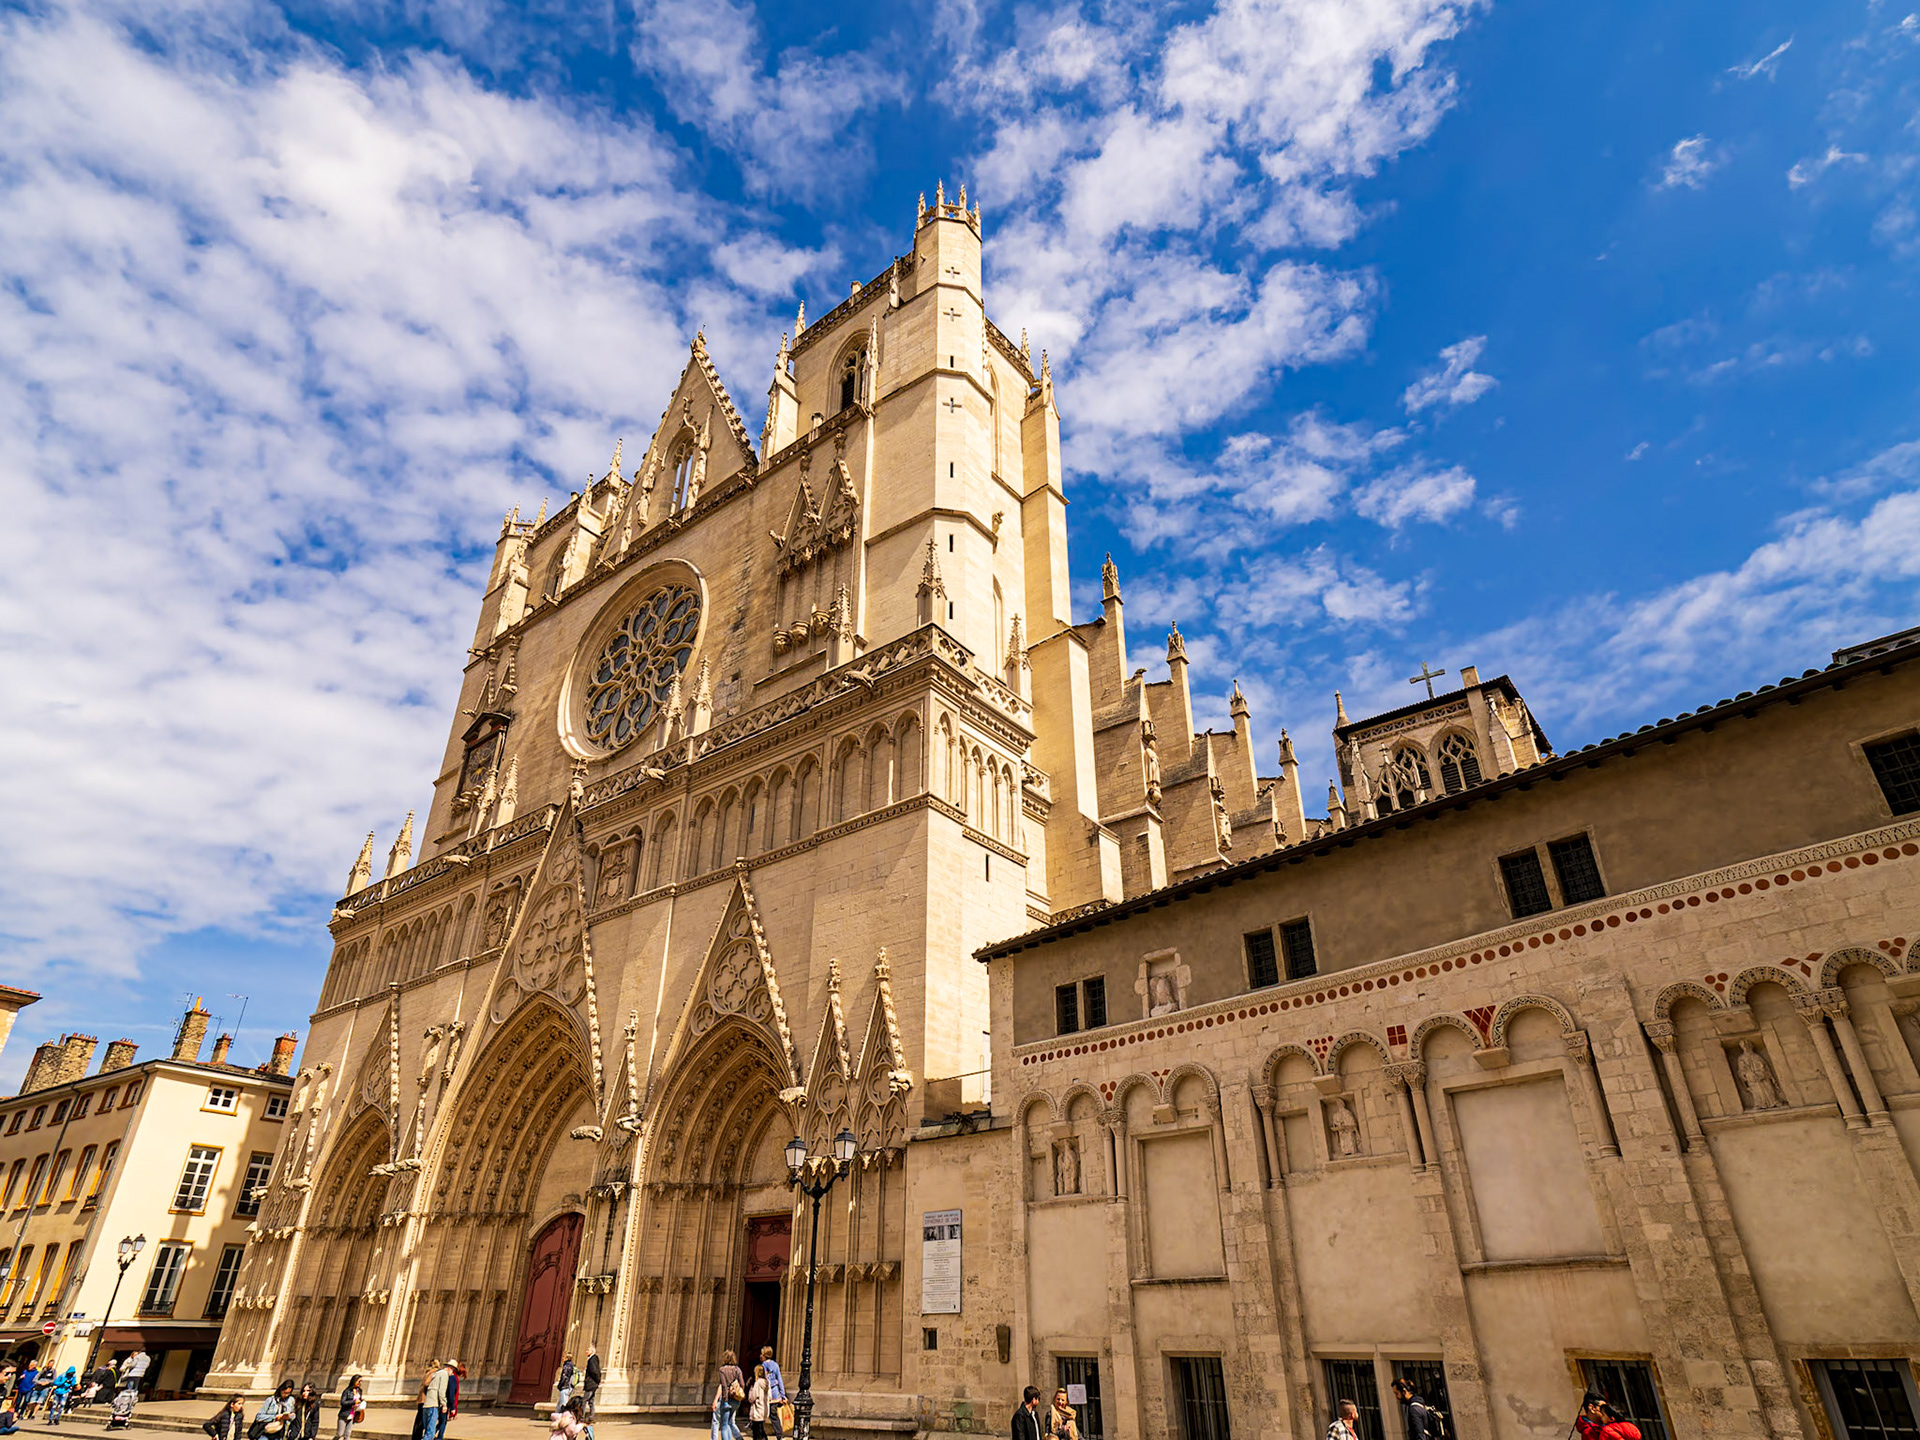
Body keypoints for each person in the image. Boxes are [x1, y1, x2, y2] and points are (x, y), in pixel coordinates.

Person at [1575, 1393, 1642, 1440]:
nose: (1606, 1411)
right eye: (1602, 1408)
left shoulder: (1610, 1426)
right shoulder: (1589, 1432)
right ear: (1592, 1408)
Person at [712, 1349, 745, 1440]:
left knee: (724, 1424)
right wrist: (738, 1392)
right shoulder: (737, 1370)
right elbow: (742, 1384)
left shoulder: (722, 1370)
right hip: (736, 1400)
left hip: (727, 1400)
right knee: (730, 1422)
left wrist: (725, 1400)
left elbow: (724, 1385)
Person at [419, 1361, 452, 1440]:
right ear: (450, 1369)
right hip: (433, 1405)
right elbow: (441, 1391)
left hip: (426, 1405)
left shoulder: (435, 1374)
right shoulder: (444, 1374)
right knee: (430, 1434)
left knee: (427, 1431)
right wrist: (444, 1404)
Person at [759, 1347, 786, 1439]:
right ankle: (780, 1435)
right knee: (774, 1416)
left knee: (762, 1414)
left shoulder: (762, 1366)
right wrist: (782, 1395)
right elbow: (780, 1380)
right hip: (775, 1394)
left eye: (761, 1354)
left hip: (766, 1394)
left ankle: (761, 1434)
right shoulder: (775, 1365)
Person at [747, 1365, 770, 1440]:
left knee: (757, 1432)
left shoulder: (758, 1383)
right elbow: (770, 1396)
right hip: (764, 1409)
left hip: (757, 1410)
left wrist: (751, 1389)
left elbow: (752, 1397)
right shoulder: (767, 1382)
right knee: (761, 1430)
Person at [582, 1347, 601, 1420]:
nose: (586, 1351)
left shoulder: (592, 1360)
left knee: (584, 1400)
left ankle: (581, 1417)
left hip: (591, 1383)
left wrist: (597, 1380)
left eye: (588, 1350)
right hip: (593, 1383)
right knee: (591, 1401)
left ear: (592, 1351)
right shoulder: (593, 1359)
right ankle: (591, 1417)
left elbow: (594, 1371)